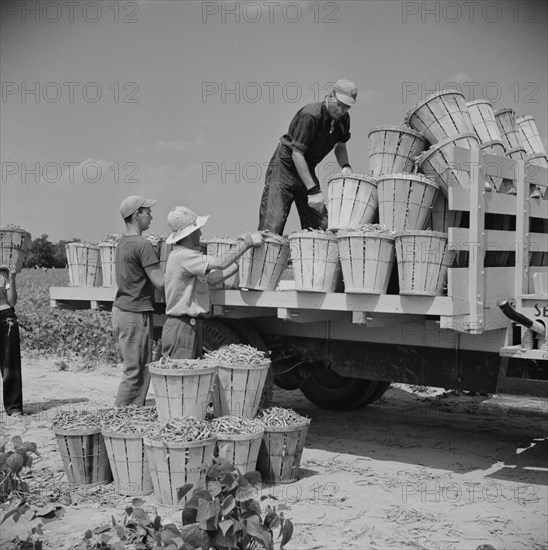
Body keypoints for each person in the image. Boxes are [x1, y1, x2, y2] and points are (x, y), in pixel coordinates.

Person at [162, 206, 264, 360]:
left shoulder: (186, 258)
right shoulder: (183, 256)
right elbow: (220, 262)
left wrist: (240, 265)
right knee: (182, 376)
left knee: (191, 376)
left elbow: (212, 279)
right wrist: (247, 243)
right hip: (182, 327)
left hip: (190, 325)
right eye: (198, 230)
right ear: (189, 234)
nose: (201, 234)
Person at [258, 79, 358, 235]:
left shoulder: (343, 119)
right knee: (272, 225)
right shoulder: (310, 115)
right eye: (339, 105)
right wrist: (313, 191)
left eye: (347, 107)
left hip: (307, 167)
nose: (342, 111)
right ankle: (263, 257)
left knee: (321, 226)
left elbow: (340, 145)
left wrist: (345, 166)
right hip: (286, 166)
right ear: (331, 95)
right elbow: (297, 154)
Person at [112, 195, 164, 406]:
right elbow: (159, 282)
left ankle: (131, 415)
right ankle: (121, 418)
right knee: (136, 370)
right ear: (136, 215)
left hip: (122, 311)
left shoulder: (122, 243)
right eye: (147, 211)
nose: (151, 216)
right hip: (135, 314)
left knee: (136, 368)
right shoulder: (142, 245)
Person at [0, 263, 23, 417]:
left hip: (5, 317)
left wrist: (12, 278)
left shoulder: (4, 274)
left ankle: (13, 406)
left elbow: (12, 301)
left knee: (10, 363)